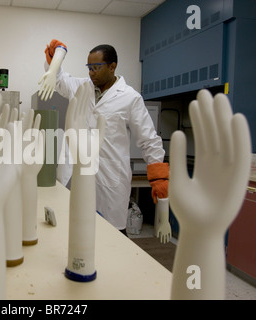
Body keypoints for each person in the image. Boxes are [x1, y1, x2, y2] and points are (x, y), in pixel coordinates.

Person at [39, 40, 169, 235]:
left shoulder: (130, 98)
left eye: (96, 67)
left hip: (110, 176)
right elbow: (59, 80)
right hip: (80, 174)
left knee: (112, 235)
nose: (91, 73)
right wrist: (53, 57)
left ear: (112, 67)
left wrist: (159, 177)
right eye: (89, 68)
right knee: (79, 230)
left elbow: (149, 140)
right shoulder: (82, 86)